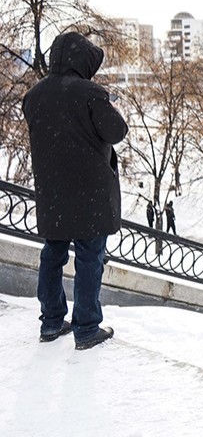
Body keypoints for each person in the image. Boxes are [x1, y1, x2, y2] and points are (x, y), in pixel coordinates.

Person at [22, 31, 128, 350]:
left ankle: (52, 321)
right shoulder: (90, 93)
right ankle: (86, 328)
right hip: (89, 193)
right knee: (89, 257)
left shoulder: (34, 95)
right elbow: (117, 131)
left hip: (52, 192)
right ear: (80, 59)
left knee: (53, 254)